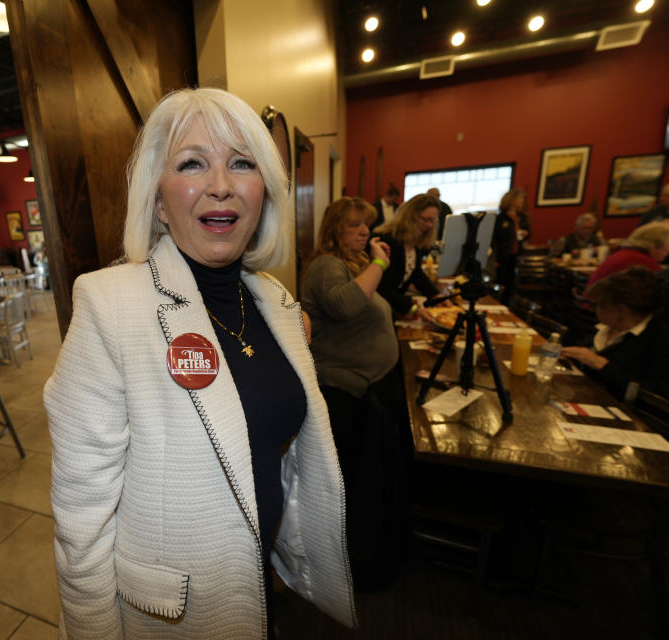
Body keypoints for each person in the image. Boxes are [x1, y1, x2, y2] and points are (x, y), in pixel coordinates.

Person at [44, 88, 355, 639]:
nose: (221, 185)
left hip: (266, 579)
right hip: (175, 615)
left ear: (264, 193)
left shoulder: (277, 304)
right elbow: (81, 523)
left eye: (241, 163)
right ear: (159, 201)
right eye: (192, 163)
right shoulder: (107, 305)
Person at [300, 196, 406, 591]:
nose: (364, 232)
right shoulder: (327, 265)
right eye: (354, 226)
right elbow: (345, 306)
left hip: (364, 389)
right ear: (334, 230)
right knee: (346, 484)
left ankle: (353, 555)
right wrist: (379, 263)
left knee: (361, 482)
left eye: (367, 225)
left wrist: (376, 264)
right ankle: (338, 566)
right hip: (340, 392)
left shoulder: (353, 265)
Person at [562, 266, 669, 402]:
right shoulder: (608, 328)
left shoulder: (666, 342)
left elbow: (659, 396)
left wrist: (602, 365)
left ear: (621, 310)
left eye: (599, 306)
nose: (595, 311)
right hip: (588, 398)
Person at [373, 193, 442, 323]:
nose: (429, 225)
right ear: (409, 217)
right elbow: (383, 287)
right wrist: (414, 309)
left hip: (391, 308)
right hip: (376, 312)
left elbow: (416, 274)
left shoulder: (415, 240)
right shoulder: (388, 240)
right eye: (424, 219)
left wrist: (436, 295)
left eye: (432, 220)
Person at [586, 221, 669, 287]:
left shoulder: (626, 253)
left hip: (591, 306)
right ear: (655, 244)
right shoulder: (644, 263)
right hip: (602, 309)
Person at [491, 188, 530, 305]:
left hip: (516, 256)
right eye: (520, 198)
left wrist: (525, 234)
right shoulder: (500, 218)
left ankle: (507, 308)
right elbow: (494, 239)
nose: (522, 201)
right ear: (512, 200)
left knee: (511, 287)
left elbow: (528, 233)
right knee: (500, 284)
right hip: (502, 258)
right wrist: (494, 259)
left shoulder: (522, 217)